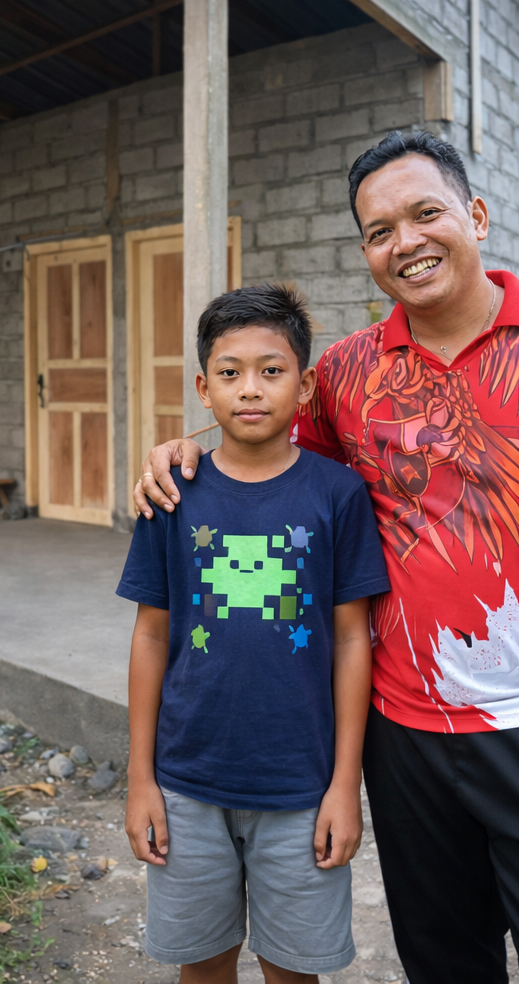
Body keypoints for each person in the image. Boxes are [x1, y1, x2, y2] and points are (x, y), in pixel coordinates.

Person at [135, 131, 519, 984]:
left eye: (425, 213)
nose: (406, 241)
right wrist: (181, 448)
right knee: (444, 967)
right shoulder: (348, 374)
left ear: (476, 215)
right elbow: (256, 424)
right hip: (406, 742)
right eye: (379, 231)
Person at [116, 284, 389, 984]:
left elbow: (353, 641)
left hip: (301, 784)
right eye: (230, 372)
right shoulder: (172, 495)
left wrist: (345, 784)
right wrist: (141, 779)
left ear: (305, 386)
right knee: (203, 965)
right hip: (187, 779)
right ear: (203, 389)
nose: (250, 389)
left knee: (293, 968)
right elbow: (150, 637)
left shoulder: (338, 495)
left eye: (272, 370)